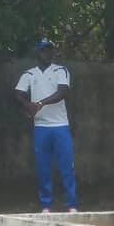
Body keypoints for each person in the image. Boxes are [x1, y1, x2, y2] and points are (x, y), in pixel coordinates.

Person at [16, 39, 78, 212]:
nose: (48, 54)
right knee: (43, 167)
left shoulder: (60, 70)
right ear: (37, 53)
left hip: (60, 125)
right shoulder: (29, 74)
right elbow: (18, 93)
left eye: (50, 50)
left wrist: (40, 103)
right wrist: (27, 104)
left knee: (67, 165)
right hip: (41, 127)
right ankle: (46, 205)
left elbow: (63, 92)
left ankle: (71, 204)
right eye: (44, 51)